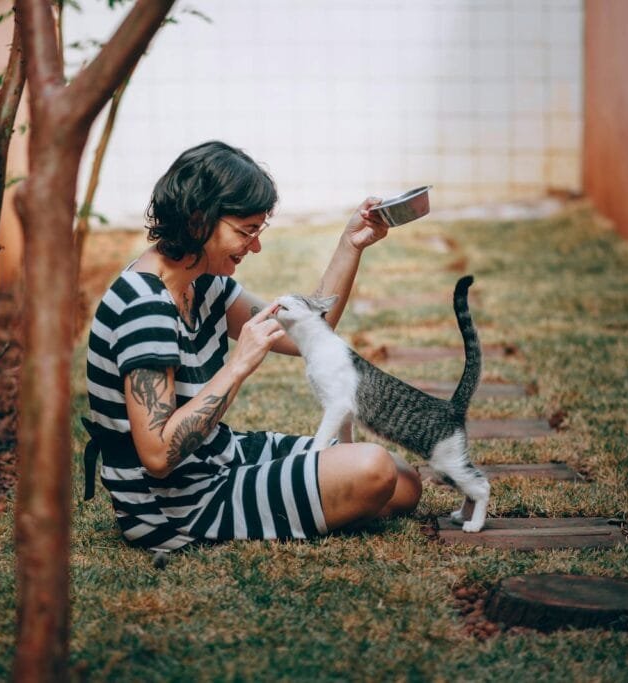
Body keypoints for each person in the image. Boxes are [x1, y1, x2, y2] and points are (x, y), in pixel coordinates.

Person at [83, 140, 421, 553]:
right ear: (197, 221)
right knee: (373, 469)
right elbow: (157, 455)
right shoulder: (145, 309)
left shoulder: (204, 283)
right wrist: (238, 365)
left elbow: (308, 333)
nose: (255, 246)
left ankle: (328, 499)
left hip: (218, 457)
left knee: (403, 482)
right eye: (246, 232)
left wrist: (351, 245)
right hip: (175, 504)